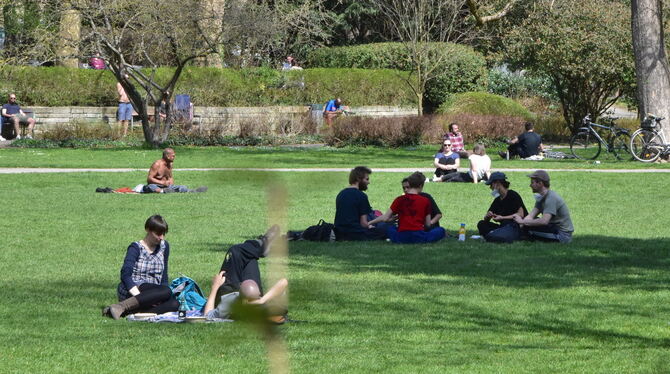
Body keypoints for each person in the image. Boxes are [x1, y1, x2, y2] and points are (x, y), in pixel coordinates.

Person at [102, 215, 179, 320]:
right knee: (166, 291)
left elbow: (164, 277)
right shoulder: (136, 248)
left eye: (163, 234)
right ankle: (121, 306)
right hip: (133, 290)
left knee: (174, 304)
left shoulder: (165, 247)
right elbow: (125, 274)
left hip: (154, 293)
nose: (161, 237)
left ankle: (129, 313)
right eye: (158, 234)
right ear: (148, 230)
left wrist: (158, 298)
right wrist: (141, 297)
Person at [203, 225, 288, 320]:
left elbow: (207, 315)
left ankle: (262, 243)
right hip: (250, 295)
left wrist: (215, 287)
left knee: (235, 251)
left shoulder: (230, 304)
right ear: (259, 293)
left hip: (228, 292)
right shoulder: (265, 307)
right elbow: (283, 282)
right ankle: (263, 244)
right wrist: (262, 300)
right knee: (249, 257)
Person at [369, 172, 446, 244]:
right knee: (440, 230)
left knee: (390, 228)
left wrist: (369, 223)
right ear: (420, 186)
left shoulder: (399, 199)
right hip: (419, 236)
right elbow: (428, 225)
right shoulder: (425, 200)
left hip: (401, 237)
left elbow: (385, 218)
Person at [513, 170, 574, 243]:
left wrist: (522, 222)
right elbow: (531, 216)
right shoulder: (541, 198)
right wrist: (521, 224)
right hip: (553, 228)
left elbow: (544, 221)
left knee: (528, 229)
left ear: (540, 183)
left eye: (532, 182)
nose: (530, 185)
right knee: (528, 224)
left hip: (562, 236)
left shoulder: (551, 198)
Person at [334, 166, 388, 241]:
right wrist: (375, 223)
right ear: (359, 179)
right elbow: (364, 224)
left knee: (372, 214)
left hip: (339, 233)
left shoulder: (341, 194)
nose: (369, 182)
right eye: (367, 179)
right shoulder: (361, 196)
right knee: (387, 228)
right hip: (355, 233)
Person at [477, 172, 528, 243]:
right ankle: (496, 234)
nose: (490, 187)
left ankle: (494, 234)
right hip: (503, 226)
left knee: (506, 223)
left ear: (498, 183)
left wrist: (502, 218)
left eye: (491, 184)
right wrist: (488, 216)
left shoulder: (512, 195)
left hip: (515, 226)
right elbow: (487, 218)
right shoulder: (497, 199)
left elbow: (521, 214)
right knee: (481, 224)